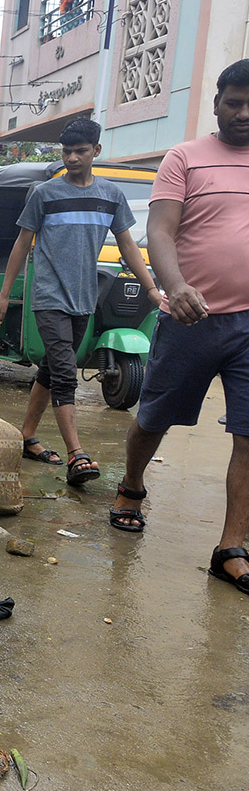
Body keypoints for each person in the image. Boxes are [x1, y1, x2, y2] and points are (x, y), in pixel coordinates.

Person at [110, 59, 249, 593]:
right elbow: (160, 232)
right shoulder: (185, 158)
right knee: (153, 417)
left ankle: (231, 547)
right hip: (192, 319)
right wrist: (176, 287)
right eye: (233, 101)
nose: (242, 113)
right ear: (216, 103)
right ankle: (132, 486)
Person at [0, 118, 157, 485]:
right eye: (67, 151)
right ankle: (76, 455)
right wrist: (4, 294)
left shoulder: (111, 195)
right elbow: (22, 243)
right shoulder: (44, 194)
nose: (73, 158)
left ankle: (27, 437)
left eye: (80, 151)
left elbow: (128, 246)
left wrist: (151, 288)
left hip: (84, 298)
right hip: (49, 296)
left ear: (96, 151)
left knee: (51, 369)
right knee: (66, 374)